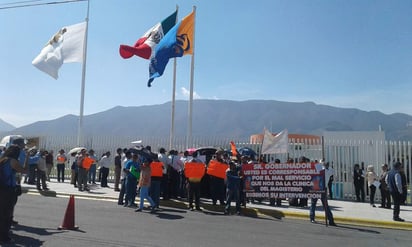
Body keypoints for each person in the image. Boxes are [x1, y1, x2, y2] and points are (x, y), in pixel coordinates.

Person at [0, 145, 28, 243]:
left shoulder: (2, 159)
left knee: (1, 212)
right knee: (6, 214)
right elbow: (25, 170)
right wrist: (27, 157)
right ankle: (3, 237)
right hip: (8, 190)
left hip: (1, 188)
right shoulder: (12, 161)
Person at [309, 162, 337, 226]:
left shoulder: (322, 169)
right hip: (319, 188)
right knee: (324, 205)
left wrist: (321, 163)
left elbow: (316, 166)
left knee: (315, 204)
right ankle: (330, 220)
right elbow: (332, 170)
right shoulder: (329, 171)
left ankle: (312, 218)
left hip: (318, 188)